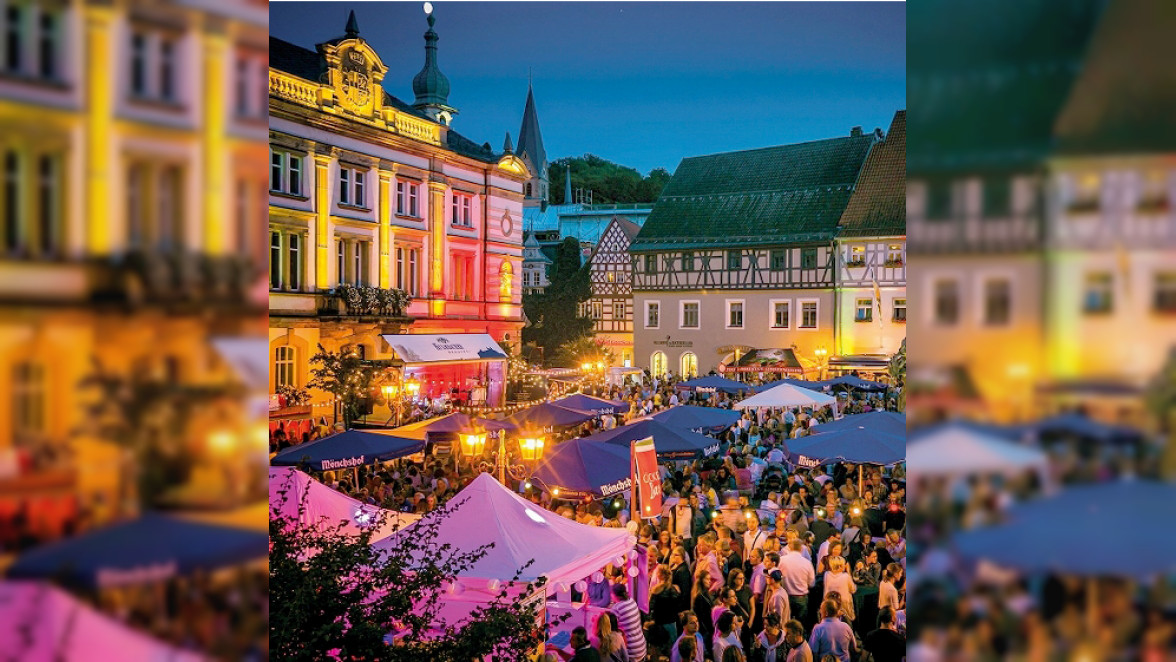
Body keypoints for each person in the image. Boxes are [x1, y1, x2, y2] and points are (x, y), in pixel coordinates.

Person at [778, 538, 815, 623]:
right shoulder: (807, 563)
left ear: (790, 547)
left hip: (785, 595)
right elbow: (812, 583)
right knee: (800, 623)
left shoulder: (782, 560)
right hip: (801, 596)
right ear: (801, 548)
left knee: (785, 621)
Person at [649, 564, 682, 652]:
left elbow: (651, 607)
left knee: (659, 650)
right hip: (671, 623)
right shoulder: (675, 589)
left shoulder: (655, 590)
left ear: (659, 575)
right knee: (672, 649)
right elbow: (678, 606)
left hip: (659, 623)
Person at [611, 584, 647, 662]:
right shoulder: (632, 601)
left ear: (615, 595)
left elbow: (612, 632)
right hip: (642, 646)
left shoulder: (616, 608)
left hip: (631, 652)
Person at [822, 556, 856, 623]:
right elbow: (853, 589)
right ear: (840, 566)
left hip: (830, 602)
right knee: (847, 621)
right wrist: (849, 572)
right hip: (844, 604)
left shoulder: (826, 574)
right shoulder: (846, 576)